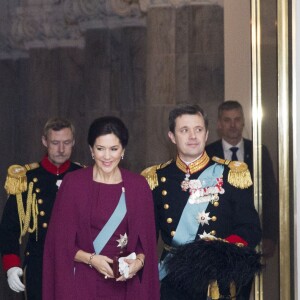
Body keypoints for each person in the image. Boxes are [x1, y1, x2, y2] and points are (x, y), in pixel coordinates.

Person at [142, 103, 261, 299]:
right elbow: (147, 236)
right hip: (174, 281)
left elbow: (250, 228)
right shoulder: (156, 177)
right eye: (184, 130)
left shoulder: (231, 173)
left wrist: (220, 249)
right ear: (172, 136)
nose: (192, 136)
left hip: (219, 279)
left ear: (206, 134)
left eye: (198, 129)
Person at [43, 116, 160, 300]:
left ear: (123, 150)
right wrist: (91, 260)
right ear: (91, 150)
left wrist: (138, 262)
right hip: (82, 283)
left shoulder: (138, 186)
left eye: (114, 149)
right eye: (100, 149)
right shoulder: (74, 184)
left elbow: (145, 242)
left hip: (125, 285)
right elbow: (59, 243)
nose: (107, 156)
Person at [0, 117, 82, 299]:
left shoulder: (85, 176)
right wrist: (12, 265)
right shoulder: (27, 178)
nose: (61, 149)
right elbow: (9, 228)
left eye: (66, 143)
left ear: (74, 142)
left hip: (77, 266)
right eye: (55, 143)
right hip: (39, 265)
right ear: (44, 142)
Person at [205, 100, 278, 259]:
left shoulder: (259, 151)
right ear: (219, 124)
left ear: (243, 122)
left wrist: (271, 236)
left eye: (237, 119)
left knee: (247, 282)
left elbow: (271, 195)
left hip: (251, 234)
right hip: (217, 237)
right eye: (227, 120)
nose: (233, 125)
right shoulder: (208, 154)